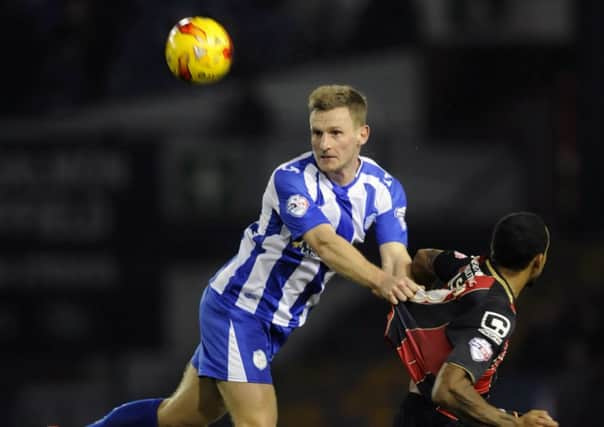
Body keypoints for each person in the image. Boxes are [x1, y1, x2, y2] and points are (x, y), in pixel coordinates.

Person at [88, 84, 419, 427]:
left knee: (175, 418)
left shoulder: (384, 188)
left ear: (362, 134)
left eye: (336, 133)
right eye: (317, 133)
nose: (324, 144)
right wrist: (381, 281)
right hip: (238, 309)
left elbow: (396, 256)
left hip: (276, 323)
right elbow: (325, 244)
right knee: (258, 423)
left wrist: (407, 291)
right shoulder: (291, 180)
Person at [385, 211, 559, 427]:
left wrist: (426, 305)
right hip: (437, 418)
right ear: (538, 261)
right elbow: (448, 389)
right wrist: (517, 424)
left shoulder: (470, 268)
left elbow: (423, 258)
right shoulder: (496, 312)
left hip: (419, 410)